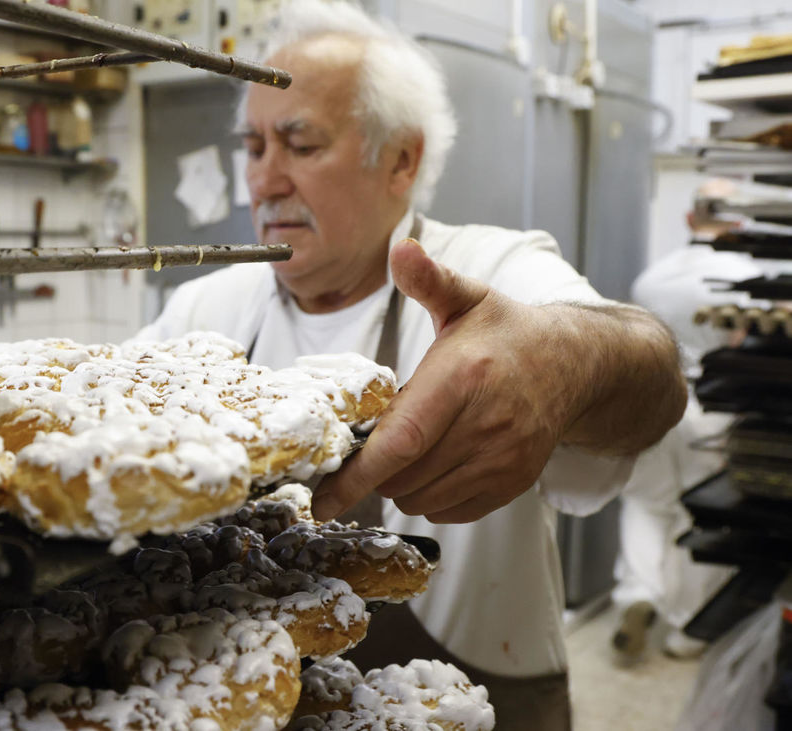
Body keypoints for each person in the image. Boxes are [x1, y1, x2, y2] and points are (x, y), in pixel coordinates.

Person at [136, 1, 687, 728]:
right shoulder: (205, 311)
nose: (264, 182)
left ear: (402, 159)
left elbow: (653, 370)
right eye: (253, 146)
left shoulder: (488, 272)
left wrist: (558, 361)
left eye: (300, 145)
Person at [611, 187, 762, 662]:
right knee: (699, 512)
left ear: (688, 217)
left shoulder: (652, 278)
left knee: (645, 501)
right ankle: (685, 631)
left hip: (656, 404)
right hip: (714, 411)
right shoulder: (746, 276)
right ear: (737, 222)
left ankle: (636, 594)